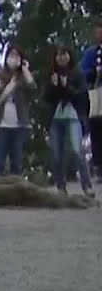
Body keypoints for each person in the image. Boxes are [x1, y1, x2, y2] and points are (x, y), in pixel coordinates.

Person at [44, 44, 94, 197]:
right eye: (58, 55)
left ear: (70, 55)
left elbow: (81, 95)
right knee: (57, 153)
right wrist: (54, 87)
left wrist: (67, 86)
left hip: (74, 116)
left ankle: (87, 186)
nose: (61, 57)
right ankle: (60, 186)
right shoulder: (52, 74)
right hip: (56, 118)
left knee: (77, 150)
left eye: (64, 54)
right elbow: (47, 99)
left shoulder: (77, 73)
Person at [0, 44, 35, 177]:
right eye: (12, 55)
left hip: (19, 125)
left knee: (17, 162)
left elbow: (32, 88)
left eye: (17, 55)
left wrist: (25, 69)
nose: (14, 58)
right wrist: (3, 87)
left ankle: (17, 193)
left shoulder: (23, 77)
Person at [83, 22, 102, 176]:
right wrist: (93, 73)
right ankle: (98, 166)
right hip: (96, 93)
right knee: (96, 128)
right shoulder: (91, 53)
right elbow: (83, 72)